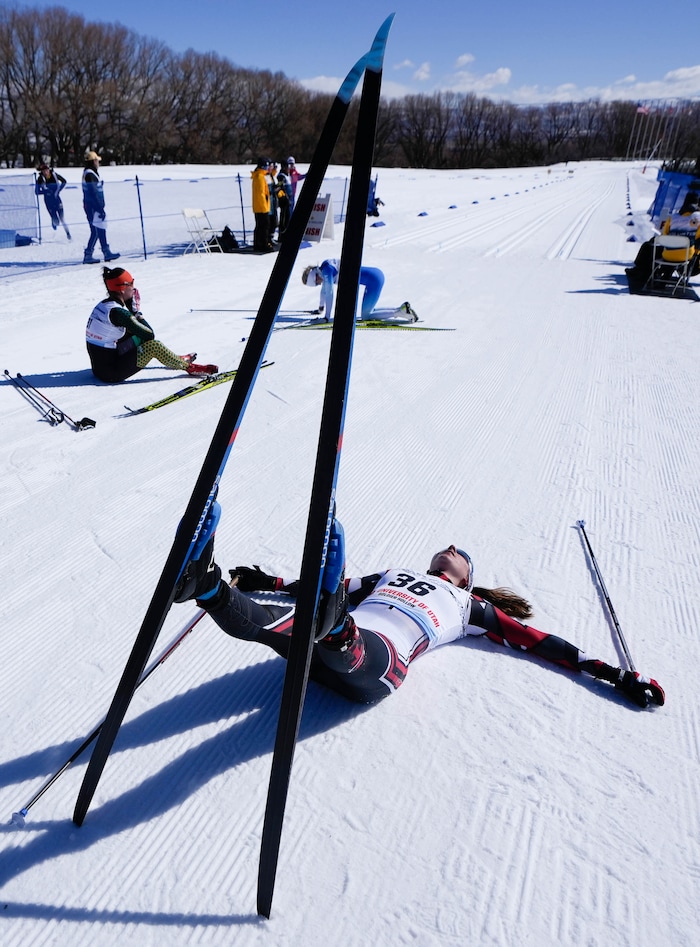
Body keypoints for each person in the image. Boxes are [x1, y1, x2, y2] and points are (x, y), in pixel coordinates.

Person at [173, 512, 665, 709]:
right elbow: (329, 585)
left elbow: (539, 643)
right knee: (278, 623)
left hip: (376, 664)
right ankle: (206, 585)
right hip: (325, 647)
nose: (450, 545)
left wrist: (611, 673)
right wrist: (268, 582)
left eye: (460, 552)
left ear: (466, 577)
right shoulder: (389, 574)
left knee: (340, 631)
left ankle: (334, 627)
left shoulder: (469, 606)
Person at [85, 266, 218, 383]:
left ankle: (174, 359)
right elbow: (149, 335)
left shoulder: (104, 305)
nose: (134, 288)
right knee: (153, 346)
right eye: (131, 284)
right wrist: (136, 312)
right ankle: (189, 368)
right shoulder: (119, 313)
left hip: (100, 367)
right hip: (111, 373)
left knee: (135, 332)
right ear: (122, 289)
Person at [302, 259, 387, 321]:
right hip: (374, 276)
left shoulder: (327, 271)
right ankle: (398, 310)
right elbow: (323, 291)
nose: (319, 284)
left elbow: (329, 294)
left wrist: (327, 317)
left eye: (316, 283)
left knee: (366, 316)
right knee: (369, 311)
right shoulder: (324, 268)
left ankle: (397, 313)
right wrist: (320, 309)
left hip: (373, 280)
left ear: (315, 276)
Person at [82, 151, 119, 264]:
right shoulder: (90, 174)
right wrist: (99, 208)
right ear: (93, 161)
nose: (98, 163)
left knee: (101, 229)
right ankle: (88, 254)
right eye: (97, 160)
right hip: (93, 206)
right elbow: (93, 192)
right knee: (96, 231)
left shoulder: (90, 173)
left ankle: (106, 252)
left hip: (93, 205)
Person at [35, 163, 71, 239]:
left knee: (62, 218)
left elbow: (64, 181)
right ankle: (54, 221)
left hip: (57, 199)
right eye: (43, 171)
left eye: (46, 170)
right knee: (56, 220)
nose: (45, 172)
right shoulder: (40, 179)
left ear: (49, 170)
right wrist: (46, 192)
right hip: (48, 201)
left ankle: (68, 234)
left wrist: (58, 191)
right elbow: (36, 192)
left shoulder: (54, 175)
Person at [251, 158, 273, 252]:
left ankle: (258, 244)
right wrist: (265, 208)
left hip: (259, 207)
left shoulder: (260, 175)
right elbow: (261, 194)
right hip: (261, 207)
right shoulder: (260, 177)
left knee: (260, 226)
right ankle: (263, 244)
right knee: (264, 226)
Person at [276, 164, 292, 236]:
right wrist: (284, 197)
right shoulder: (281, 176)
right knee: (284, 217)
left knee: (287, 216)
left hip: (288, 198)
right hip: (284, 199)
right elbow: (279, 187)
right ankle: (282, 234)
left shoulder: (287, 175)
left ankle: (285, 232)